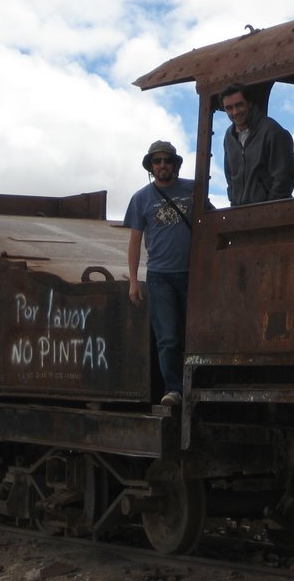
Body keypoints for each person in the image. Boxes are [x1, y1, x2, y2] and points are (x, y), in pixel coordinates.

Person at [124, 140, 194, 407]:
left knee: (194, 334)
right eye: (157, 161)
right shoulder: (141, 198)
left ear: (175, 164)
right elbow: (134, 241)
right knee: (167, 337)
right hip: (159, 276)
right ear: (150, 166)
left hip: (192, 274)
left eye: (167, 160)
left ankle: (195, 386)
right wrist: (133, 280)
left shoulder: (192, 189)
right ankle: (174, 390)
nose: (162, 165)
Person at [219, 83, 294, 206]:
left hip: (272, 214)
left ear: (250, 103)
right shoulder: (229, 137)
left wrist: (269, 208)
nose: (234, 112)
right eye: (229, 108)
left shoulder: (272, 131)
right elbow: (230, 178)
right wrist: (234, 204)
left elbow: (284, 176)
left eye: (239, 105)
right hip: (241, 215)